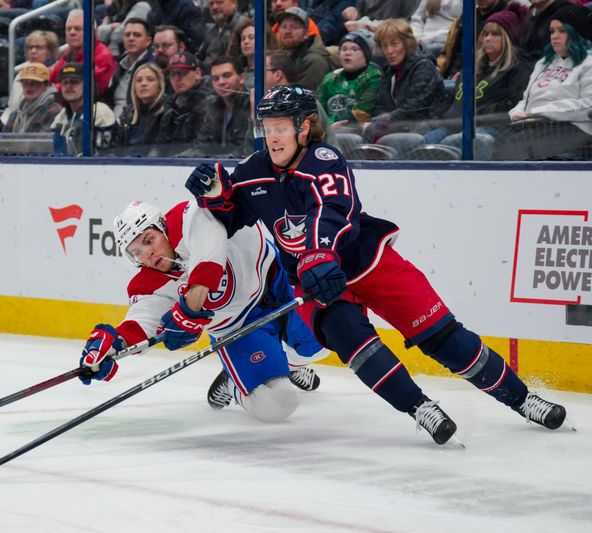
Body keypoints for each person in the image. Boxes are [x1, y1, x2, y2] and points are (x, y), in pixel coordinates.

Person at [184, 85, 568, 444]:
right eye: (267, 128)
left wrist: (317, 253)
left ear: (304, 127)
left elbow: (332, 209)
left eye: (281, 127)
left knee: (443, 338)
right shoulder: (253, 171)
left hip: (367, 261)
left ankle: (522, 399)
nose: (273, 137)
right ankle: (421, 409)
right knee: (351, 338)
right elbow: (232, 218)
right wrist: (216, 196)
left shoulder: (324, 158)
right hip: (313, 282)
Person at [78, 200, 326, 422]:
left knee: (329, 337)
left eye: (148, 240)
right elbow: (140, 323)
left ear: (163, 227)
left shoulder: (192, 216)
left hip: (279, 281)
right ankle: (234, 385)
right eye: (137, 252)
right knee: (279, 404)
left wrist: (189, 308)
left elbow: (208, 259)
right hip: (240, 329)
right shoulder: (147, 285)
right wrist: (112, 345)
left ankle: (289, 364)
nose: (147, 253)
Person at [424, 2, 532, 147]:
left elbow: (512, 106)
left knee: (453, 142)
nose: (488, 38)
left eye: (495, 34)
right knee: (426, 141)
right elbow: (453, 100)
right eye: (486, 34)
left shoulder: (518, 68)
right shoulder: (472, 67)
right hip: (456, 125)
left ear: (509, 38)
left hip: (492, 128)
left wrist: (475, 112)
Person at [495, 10, 592, 159]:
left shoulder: (588, 63)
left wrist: (540, 112)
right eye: (552, 31)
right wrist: (516, 113)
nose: (555, 36)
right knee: (498, 144)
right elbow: (525, 100)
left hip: (573, 132)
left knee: (518, 149)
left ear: (577, 33)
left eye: (562, 31)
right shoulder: (544, 62)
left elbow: (589, 105)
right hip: (532, 126)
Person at [363, 18, 445, 142]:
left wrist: (381, 122)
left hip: (425, 129)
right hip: (396, 128)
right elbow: (381, 106)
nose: (390, 51)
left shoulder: (424, 66)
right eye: (384, 46)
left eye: (394, 44)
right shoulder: (388, 70)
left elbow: (413, 109)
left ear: (407, 43)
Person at [317, 30, 381, 129]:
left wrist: (331, 126)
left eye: (354, 49)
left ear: (366, 54)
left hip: (357, 129)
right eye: (344, 49)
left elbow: (362, 112)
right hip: (328, 129)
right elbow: (318, 109)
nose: (347, 53)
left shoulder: (373, 77)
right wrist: (326, 127)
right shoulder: (330, 78)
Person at [190, 56, 251, 158]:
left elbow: (245, 151)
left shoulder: (251, 105)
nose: (221, 82)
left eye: (227, 76)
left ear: (241, 78)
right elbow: (201, 146)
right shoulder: (212, 106)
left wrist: (213, 161)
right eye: (215, 78)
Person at [51, 62, 116, 156]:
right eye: (65, 83)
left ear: (87, 85)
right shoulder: (61, 116)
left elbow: (103, 154)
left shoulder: (100, 112)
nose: (69, 86)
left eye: (74, 82)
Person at [49, 9, 116, 99]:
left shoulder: (103, 56)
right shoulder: (68, 54)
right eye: (68, 29)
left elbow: (85, 88)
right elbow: (51, 79)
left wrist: (50, 90)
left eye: (78, 29)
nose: (72, 32)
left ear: (94, 32)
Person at [155, 51, 212, 156]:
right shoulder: (170, 105)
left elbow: (204, 148)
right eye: (172, 74)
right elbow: (159, 146)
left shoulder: (210, 103)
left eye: (183, 73)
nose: (177, 78)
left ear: (198, 73)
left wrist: (171, 161)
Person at [437, 0, 509, 80]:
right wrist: (438, 68)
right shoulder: (466, 16)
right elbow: (446, 53)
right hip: (448, 76)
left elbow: (497, 61)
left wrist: (464, 74)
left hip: (475, 80)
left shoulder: (506, 20)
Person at [276, 7, 336, 92]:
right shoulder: (281, 55)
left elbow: (304, 99)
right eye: (284, 27)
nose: (287, 31)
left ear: (306, 34)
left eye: (294, 27)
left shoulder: (314, 61)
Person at [109, 18, 156, 118]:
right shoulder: (118, 63)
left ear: (148, 41)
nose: (131, 38)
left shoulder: (154, 66)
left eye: (137, 35)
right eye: (127, 35)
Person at [116, 62, 166, 154]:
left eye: (150, 80)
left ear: (159, 85)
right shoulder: (127, 113)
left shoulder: (166, 111)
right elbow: (116, 147)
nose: (143, 84)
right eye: (138, 80)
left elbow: (160, 149)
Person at [3, 62, 61, 134]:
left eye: (34, 83)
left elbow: (43, 143)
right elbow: (4, 139)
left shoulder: (54, 112)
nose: (28, 86)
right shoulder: (16, 113)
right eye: (25, 83)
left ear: (47, 85)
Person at [197, 0, 245, 71]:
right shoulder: (211, 30)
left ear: (234, 3)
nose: (214, 7)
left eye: (219, 2)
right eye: (211, 4)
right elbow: (199, 56)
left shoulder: (243, 27)